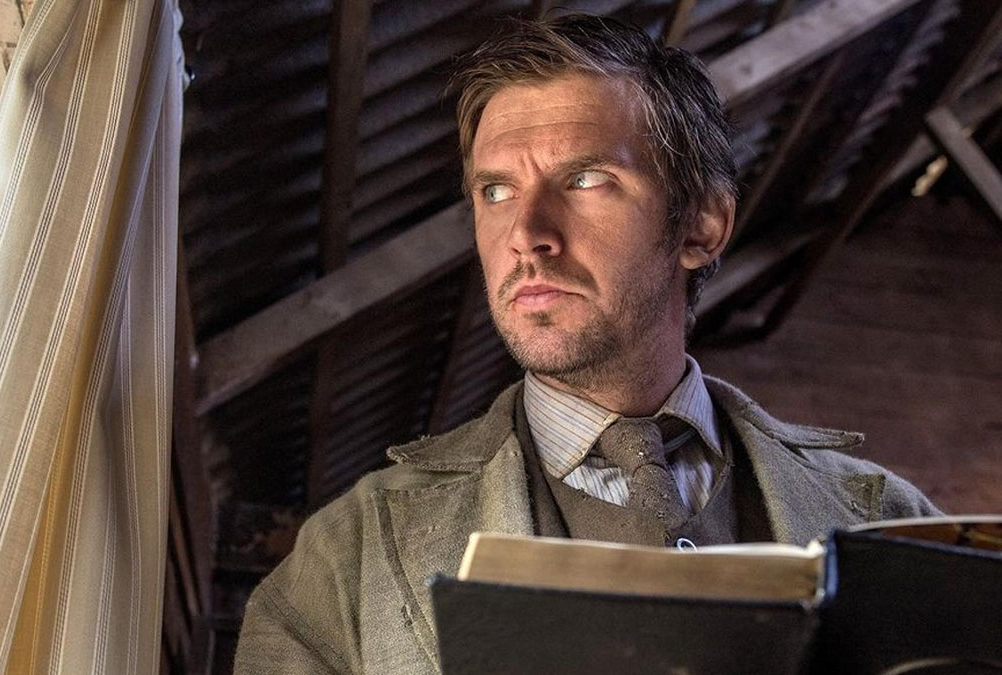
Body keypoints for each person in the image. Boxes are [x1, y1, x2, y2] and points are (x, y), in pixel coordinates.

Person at [233, 14, 939, 675]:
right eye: (496, 191)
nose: (527, 234)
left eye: (585, 179)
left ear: (702, 226)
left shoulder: (895, 525)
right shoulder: (346, 556)